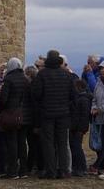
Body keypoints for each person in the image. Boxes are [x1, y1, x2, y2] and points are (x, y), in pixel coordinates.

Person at [31, 49, 76, 179]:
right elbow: (73, 95)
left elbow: (36, 94)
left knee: (48, 143)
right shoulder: (66, 75)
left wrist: (41, 107)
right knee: (62, 143)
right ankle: (63, 170)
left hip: (47, 114)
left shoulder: (42, 74)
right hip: (63, 114)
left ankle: (50, 171)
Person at [69, 78, 92, 177]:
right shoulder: (81, 99)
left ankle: (81, 167)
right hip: (76, 127)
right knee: (75, 147)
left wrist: (81, 129)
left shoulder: (83, 100)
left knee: (77, 148)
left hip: (78, 128)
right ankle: (78, 167)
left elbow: (84, 116)